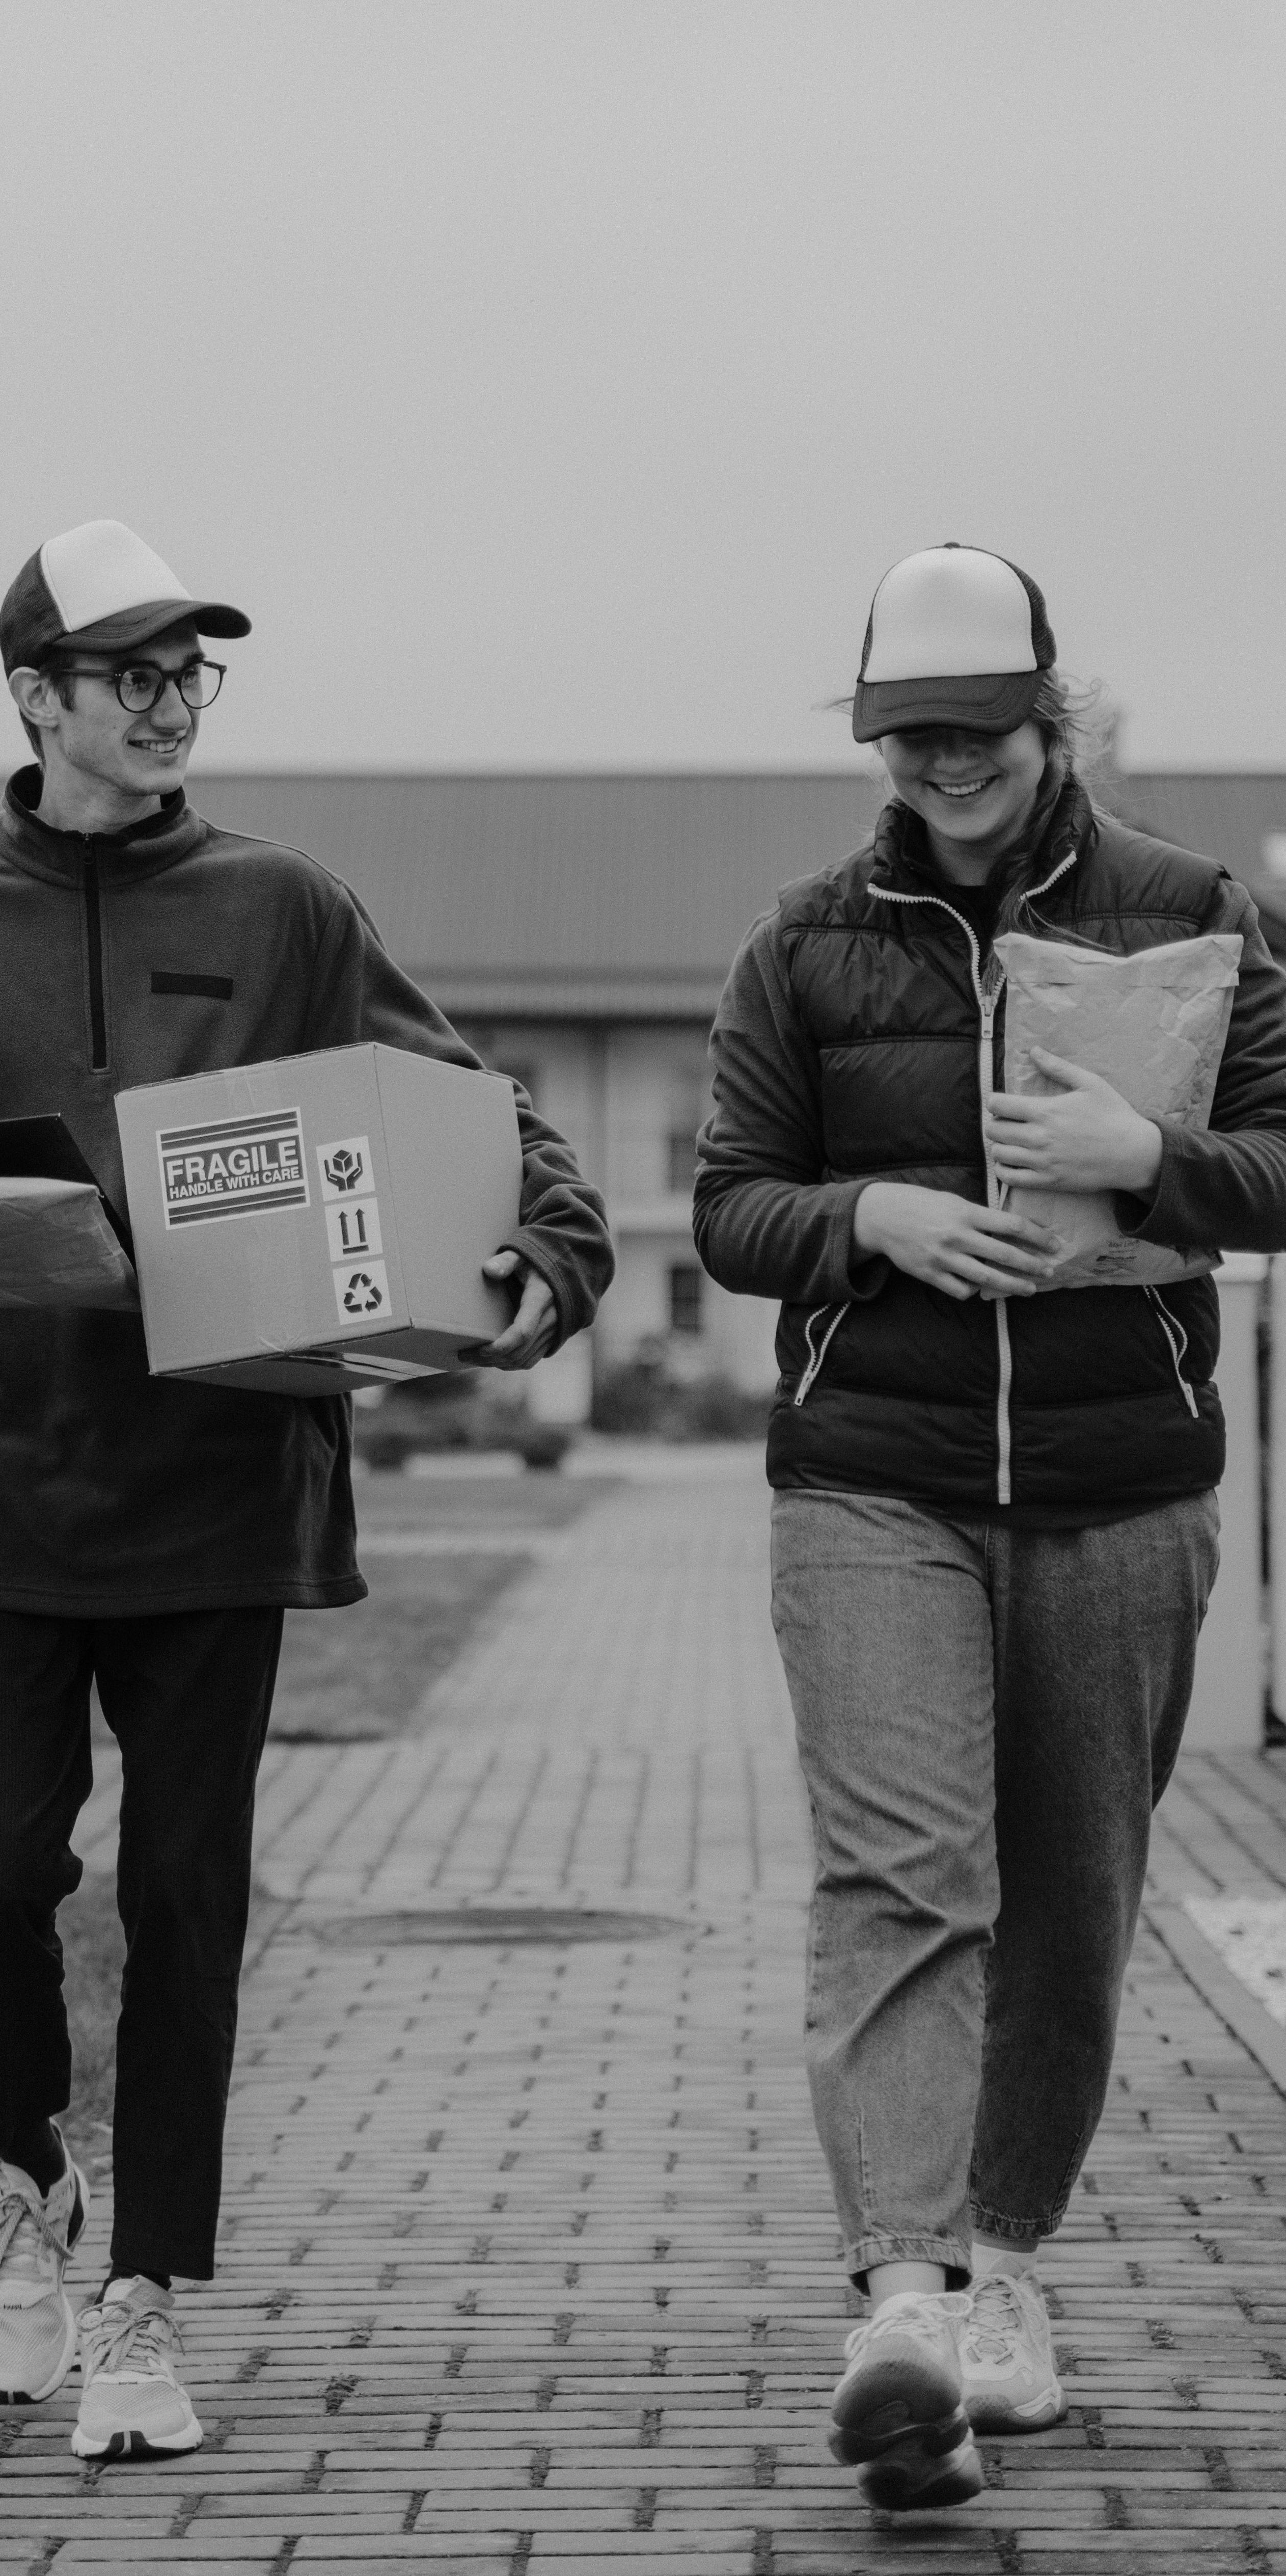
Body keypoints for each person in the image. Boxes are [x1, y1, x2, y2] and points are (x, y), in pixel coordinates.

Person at [0, 518, 612, 2461]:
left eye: (188, 675)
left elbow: (486, 1127)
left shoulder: (283, 907)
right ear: (36, 697)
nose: (166, 707)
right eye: (131, 674)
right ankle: (20, 2179)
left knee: (185, 1901)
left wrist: (543, 1263)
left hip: (218, 1489)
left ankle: (142, 2299)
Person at [692, 542, 1286, 2513]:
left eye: (974, 731)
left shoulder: (1193, 916)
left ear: (1049, 719)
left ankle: (1006, 2259)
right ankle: (903, 2300)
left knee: (1070, 1904)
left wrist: (1150, 1161)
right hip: (874, 1475)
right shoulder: (803, 943)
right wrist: (865, 1219)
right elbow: (728, 1204)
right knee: (900, 1879)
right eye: (904, 736)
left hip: (1123, 1485)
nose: (940, 766)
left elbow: (1280, 1161)